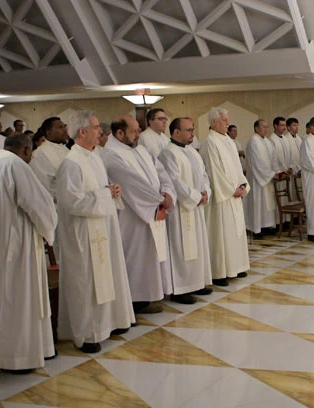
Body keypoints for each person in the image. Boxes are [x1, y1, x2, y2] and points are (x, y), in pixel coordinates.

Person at [0, 133, 57, 374]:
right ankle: (19, 357)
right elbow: (38, 204)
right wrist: (49, 228)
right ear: (24, 150)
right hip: (17, 246)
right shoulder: (15, 165)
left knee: (2, 299)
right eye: (30, 152)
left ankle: (3, 353)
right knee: (20, 299)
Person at [56, 110, 134, 353]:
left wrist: (113, 191)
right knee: (87, 282)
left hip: (103, 227)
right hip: (84, 233)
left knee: (107, 275)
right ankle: (88, 333)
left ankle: (109, 323)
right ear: (82, 132)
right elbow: (71, 202)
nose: (100, 131)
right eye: (96, 127)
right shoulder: (70, 163)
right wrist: (105, 194)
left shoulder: (94, 157)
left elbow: (102, 190)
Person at [101, 115, 176, 313]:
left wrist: (168, 192)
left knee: (152, 254)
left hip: (153, 209)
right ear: (119, 133)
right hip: (132, 216)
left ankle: (152, 294)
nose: (138, 134)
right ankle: (135, 299)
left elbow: (162, 173)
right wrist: (159, 200)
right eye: (134, 131)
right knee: (135, 256)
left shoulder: (142, 150)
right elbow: (132, 184)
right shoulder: (110, 154)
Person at [159, 117, 214, 303]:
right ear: (176, 132)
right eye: (189, 130)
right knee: (182, 247)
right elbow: (174, 182)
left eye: (192, 130)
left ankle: (196, 283)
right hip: (181, 210)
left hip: (195, 207)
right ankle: (181, 288)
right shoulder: (168, 153)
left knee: (197, 246)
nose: (193, 133)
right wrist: (196, 197)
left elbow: (204, 174)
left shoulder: (192, 152)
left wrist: (206, 192)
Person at [201, 107, 250, 287]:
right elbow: (214, 172)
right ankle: (220, 271)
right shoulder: (210, 142)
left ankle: (236, 266)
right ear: (214, 122)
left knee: (235, 232)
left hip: (234, 195)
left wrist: (243, 184)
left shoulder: (228, 140)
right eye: (224, 120)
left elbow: (237, 167)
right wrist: (231, 190)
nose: (227, 123)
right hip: (222, 198)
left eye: (227, 120)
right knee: (221, 234)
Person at [244, 118, 282, 238]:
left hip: (268, 177)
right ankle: (257, 230)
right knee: (258, 204)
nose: (266, 129)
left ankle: (267, 226)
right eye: (263, 127)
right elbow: (257, 162)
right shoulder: (253, 142)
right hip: (257, 179)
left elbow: (273, 158)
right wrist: (270, 174)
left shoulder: (267, 141)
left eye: (267, 127)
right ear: (256, 128)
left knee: (267, 205)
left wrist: (276, 171)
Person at [30, 116, 69, 197]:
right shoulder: (40, 154)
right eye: (60, 127)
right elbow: (44, 186)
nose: (65, 129)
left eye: (65, 126)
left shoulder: (65, 149)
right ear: (48, 132)